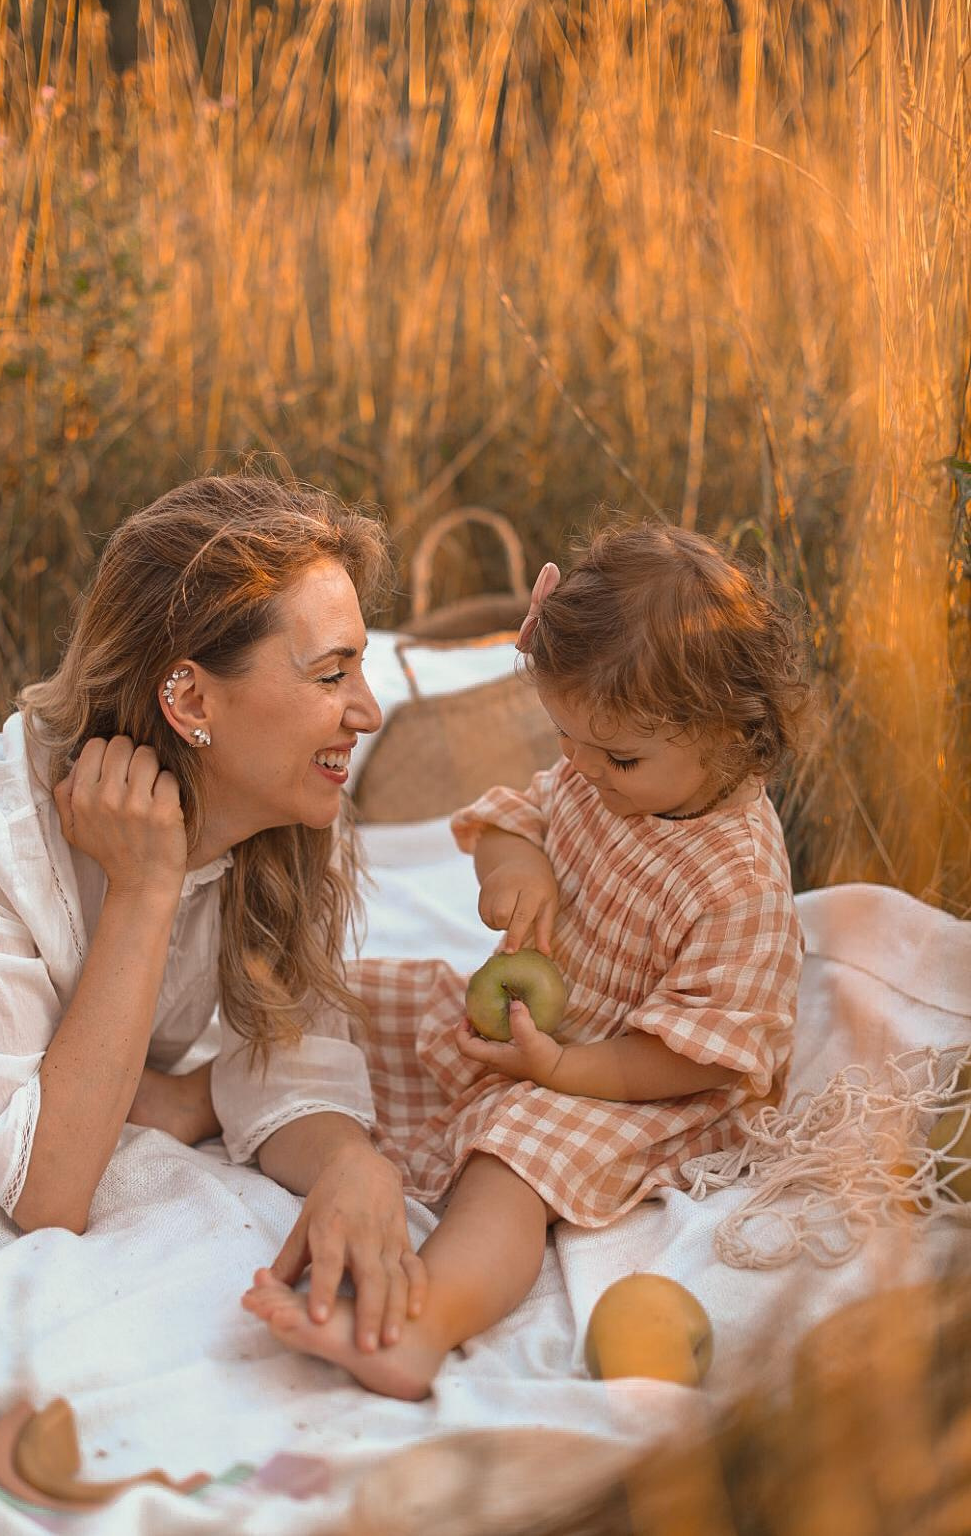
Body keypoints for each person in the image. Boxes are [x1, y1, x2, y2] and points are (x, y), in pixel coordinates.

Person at [244, 520, 811, 1398]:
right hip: (542, 1027)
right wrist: (519, 870)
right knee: (352, 997)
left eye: (616, 754)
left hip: (646, 1083)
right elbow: (515, 815)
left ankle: (418, 1327)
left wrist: (566, 1068)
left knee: (511, 1157)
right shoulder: (601, 769)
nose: (583, 769)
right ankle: (194, 1091)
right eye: (567, 738)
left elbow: (698, 1052)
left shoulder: (738, 882)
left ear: (732, 736)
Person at [0, 471, 428, 1358]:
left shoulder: (287, 808)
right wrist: (145, 887)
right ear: (189, 701)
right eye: (333, 673)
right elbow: (50, 1187)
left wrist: (352, 1167)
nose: (365, 712)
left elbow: (294, 1057)